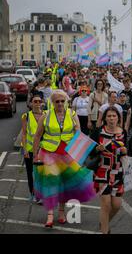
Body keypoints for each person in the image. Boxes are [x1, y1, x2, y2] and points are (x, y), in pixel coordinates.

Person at [32, 90, 95, 228]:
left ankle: (61, 212)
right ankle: (49, 215)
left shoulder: (72, 114)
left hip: (68, 154)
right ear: (52, 102)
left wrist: (79, 154)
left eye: (62, 101)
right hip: (48, 152)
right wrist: (35, 154)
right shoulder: (46, 115)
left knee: (64, 183)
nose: (60, 103)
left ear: (66, 101)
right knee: (51, 180)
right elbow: (37, 136)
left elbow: (78, 133)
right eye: (57, 101)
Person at [90, 107, 128, 234]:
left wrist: (125, 151)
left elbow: (126, 151)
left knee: (116, 205)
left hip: (118, 172)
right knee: (105, 205)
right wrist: (97, 149)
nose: (111, 118)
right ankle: (105, 231)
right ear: (105, 118)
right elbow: (90, 150)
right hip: (102, 171)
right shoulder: (98, 131)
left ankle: (104, 223)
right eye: (109, 116)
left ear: (118, 118)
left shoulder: (123, 132)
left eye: (114, 116)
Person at [21, 92, 44, 202]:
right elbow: (24, 134)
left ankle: (41, 194)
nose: (38, 103)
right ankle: (33, 193)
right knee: (31, 173)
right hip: (30, 149)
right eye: (35, 101)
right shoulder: (26, 116)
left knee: (42, 173)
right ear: (31, 103)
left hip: (43, 149)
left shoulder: (46, 115)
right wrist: (25, 149)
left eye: (39, 101)